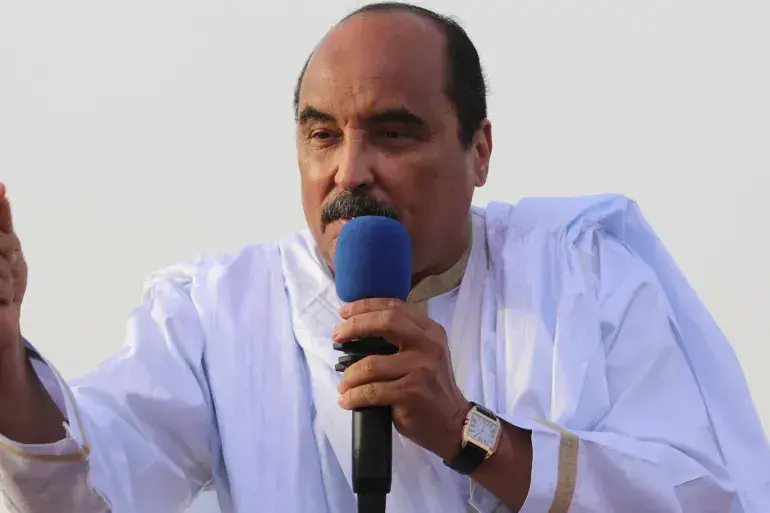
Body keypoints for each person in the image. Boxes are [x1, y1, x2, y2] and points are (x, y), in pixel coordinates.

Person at [0, 2, 768, 512]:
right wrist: (5, 360)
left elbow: (705, 496)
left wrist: (470, 432)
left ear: (480, 150)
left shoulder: (583, 273)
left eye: (393, 134)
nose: (350, 171)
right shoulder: (219, 311)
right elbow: (86, 486)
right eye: (322, 136)